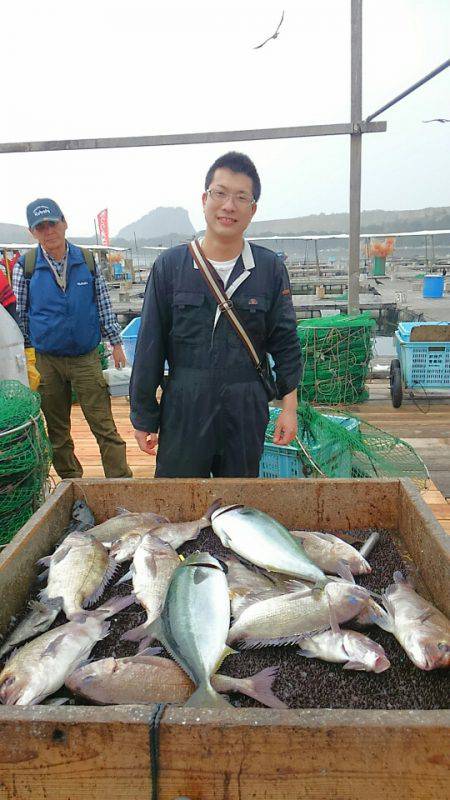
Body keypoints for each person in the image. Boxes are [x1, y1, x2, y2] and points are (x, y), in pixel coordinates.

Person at [130, 151, 302, 477]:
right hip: (183, 404)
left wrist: (289, 409)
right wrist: (144, 416)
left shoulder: (269, 269)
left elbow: (285, 343)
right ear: (204, 198)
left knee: (236, 505)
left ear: (253, 209)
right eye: (220, 193)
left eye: (241, 197)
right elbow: (149, 347)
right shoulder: (170, 267)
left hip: (246, 405)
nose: (228, 206)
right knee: (178, 504)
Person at [13, 198, 132, 480]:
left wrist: (116, 343)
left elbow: (103, 304)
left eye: (52, 223)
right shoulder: (25, 266)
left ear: (64, 223)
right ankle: (72, 484)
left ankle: (121, 482)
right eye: (40, 227)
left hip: (86, 358)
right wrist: (25, 358)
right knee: (57, 432)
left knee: (105, 427)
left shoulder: (87, 261)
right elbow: (20, 316)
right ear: (33, 233)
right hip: (46, 361)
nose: (48, 231)